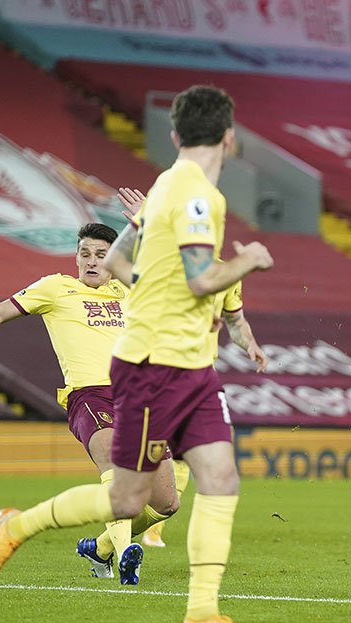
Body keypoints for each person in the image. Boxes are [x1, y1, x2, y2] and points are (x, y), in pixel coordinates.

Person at [0, 85, 276, 623]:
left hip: (186, 364)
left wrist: (152, 250)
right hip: (152, 368)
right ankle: (16, 527)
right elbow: (204, 279)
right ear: (229, 139)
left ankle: (201, 616)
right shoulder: (199, 197)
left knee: (205, 484)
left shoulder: (171, 189)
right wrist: (248, 262)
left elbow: (118, 263)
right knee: (127, 498)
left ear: (176, 135)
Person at [0, 222, 180, 585]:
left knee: (165, 504)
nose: (92, 261)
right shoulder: (56, 288)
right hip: (92, 396)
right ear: (76, 256)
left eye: (101, 255)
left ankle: (102, 549)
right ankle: (126, 555)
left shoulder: (128, 290)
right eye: (85, 253)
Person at [111, 188, 271, 549]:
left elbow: (236, 321)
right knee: (140, 476)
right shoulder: (167, 261)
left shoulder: (227, 273)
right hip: (159, 373)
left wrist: (251, 344)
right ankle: (39, 524)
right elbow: (125, 263)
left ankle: (128, 541)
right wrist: (145, 221)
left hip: (201, 376)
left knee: (212, 467)